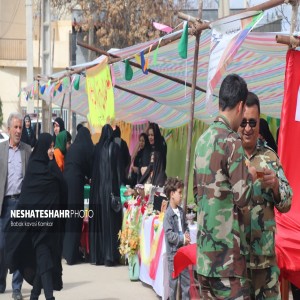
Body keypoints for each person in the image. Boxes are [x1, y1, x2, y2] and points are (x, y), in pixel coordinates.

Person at [194, 74, 259, 299]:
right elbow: (243, 199)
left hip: (203, 259)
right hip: (227, 264)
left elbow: (196, 195)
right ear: (240, 106)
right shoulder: (232, 142)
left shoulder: (201, 141)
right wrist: (250, 175)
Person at [238, 92, 292, 299]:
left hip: (265, 263)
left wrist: (277, 186)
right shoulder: (229, 155)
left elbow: (287, 203)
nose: (248, 128)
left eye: (253, 122)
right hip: (236, 262)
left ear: (259, 123)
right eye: (243, 123)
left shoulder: (270, 157)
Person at [5, 133, 65, 300]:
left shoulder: (50, 167)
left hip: (50, 224)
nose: (52, 150)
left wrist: (53, 164)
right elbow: (27, 197)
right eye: (50, 147)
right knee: (44, 257)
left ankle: (34, 295)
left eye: (53, 147)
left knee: (43, 259)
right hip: (35, 224)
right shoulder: (34, 167)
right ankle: (49, 297)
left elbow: (62, 185)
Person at [0, 112, 31, 300]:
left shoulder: (27, 150)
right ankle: (1, 279)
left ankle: (17, 287)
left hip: (21, 204)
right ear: (9, 129)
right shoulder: (1, 150)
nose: (19, 131)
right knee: (2, 246)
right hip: (4, 205)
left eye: (21, 127)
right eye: (16, 127)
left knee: (19, 246)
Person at [89, 124, 123, 266]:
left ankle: (100, 256)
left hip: (99, 193)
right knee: (111, 224)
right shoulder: (115, 148)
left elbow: (94, 172)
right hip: (111, 192)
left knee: (101, 225)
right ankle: (111, 257)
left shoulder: (97, 148)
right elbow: (118, 171)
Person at [63, 127, 94, 265]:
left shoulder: (73, 147)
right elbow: (90, 167)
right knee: (75, 217)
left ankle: (67, 252)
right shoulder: (85, 147)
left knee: (68, 217)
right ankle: (72, 255)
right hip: (75, 184)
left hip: (66, 183)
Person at [163, 177, 190, 300]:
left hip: (183, 252)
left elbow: (186, 227)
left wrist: (187, 235)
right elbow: (169, 235)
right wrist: (183, 239)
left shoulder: (181, 211)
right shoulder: (168, 214)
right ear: (172, 194)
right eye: (179, 192)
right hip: (173, 254)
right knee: (173, 284)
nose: (182, 195)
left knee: (186, 283)